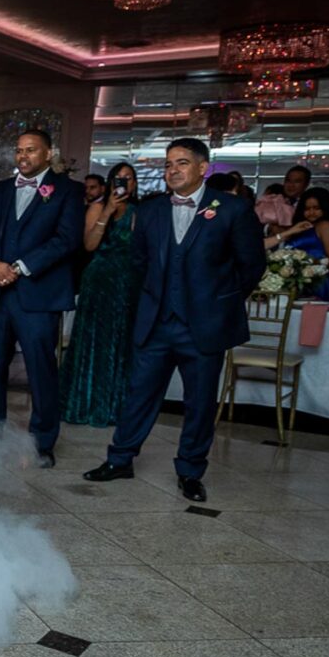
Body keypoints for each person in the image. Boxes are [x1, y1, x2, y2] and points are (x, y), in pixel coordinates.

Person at [84, 138, 266, 502]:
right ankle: (120, 459)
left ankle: (190, 471)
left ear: (202, 168)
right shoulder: (149, 211)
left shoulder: (231, 209)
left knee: (199, 403)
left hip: (204, 325)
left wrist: (218, 303)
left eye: (182, 163)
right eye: (168, 164)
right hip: (158, 322)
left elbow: (252, 265)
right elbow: (138, 264)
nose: (173, 170)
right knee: (138, 394)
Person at [0, 129, 83, 467]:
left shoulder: (69, 192)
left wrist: (18, 267)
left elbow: (67, 240)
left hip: (38, 296)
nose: (23, 156)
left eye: (31, 150)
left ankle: (43, 442)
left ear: (49, 154)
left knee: (40, 370)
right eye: (19, 150)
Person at [59, 162, 140, 427]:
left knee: (121, 340)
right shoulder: (97, 207)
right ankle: (86, 403)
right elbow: (89, 244)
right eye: (119, 178)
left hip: (127, 281)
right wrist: (108, 210)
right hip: (99, 278)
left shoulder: (140, 212)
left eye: (128, 179)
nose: (124, 183)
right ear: (110, 183)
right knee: (94, 339)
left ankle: (115, 406)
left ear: (135, 183)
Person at [284, 187, 329, 301]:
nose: (311, 212)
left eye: (316, 208)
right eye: (307, 208)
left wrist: (311, 261)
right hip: (298, 281)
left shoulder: (325, 225)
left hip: (319, 282)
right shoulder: (301, 227)